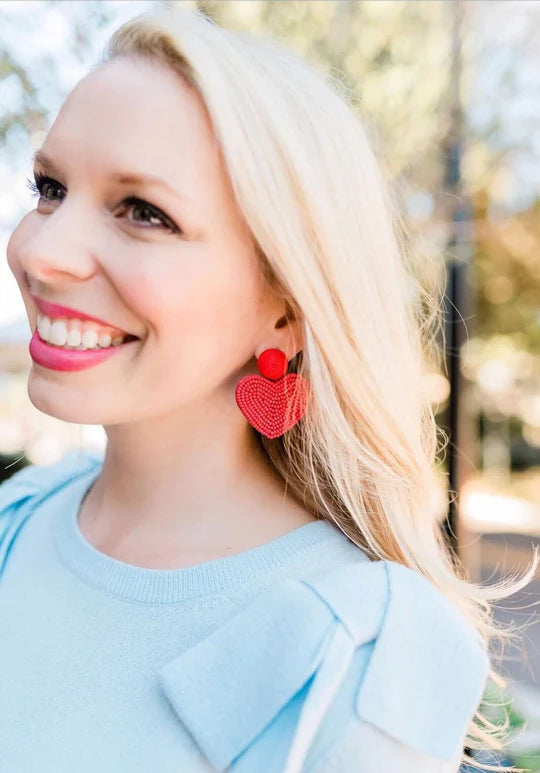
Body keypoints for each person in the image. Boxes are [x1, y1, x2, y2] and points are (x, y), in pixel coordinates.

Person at [1, 6, 536, 772]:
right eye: (49, 187)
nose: (42, 251)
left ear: (284, 309)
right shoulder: (17, 522)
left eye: (144, 213)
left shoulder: (354, 648)